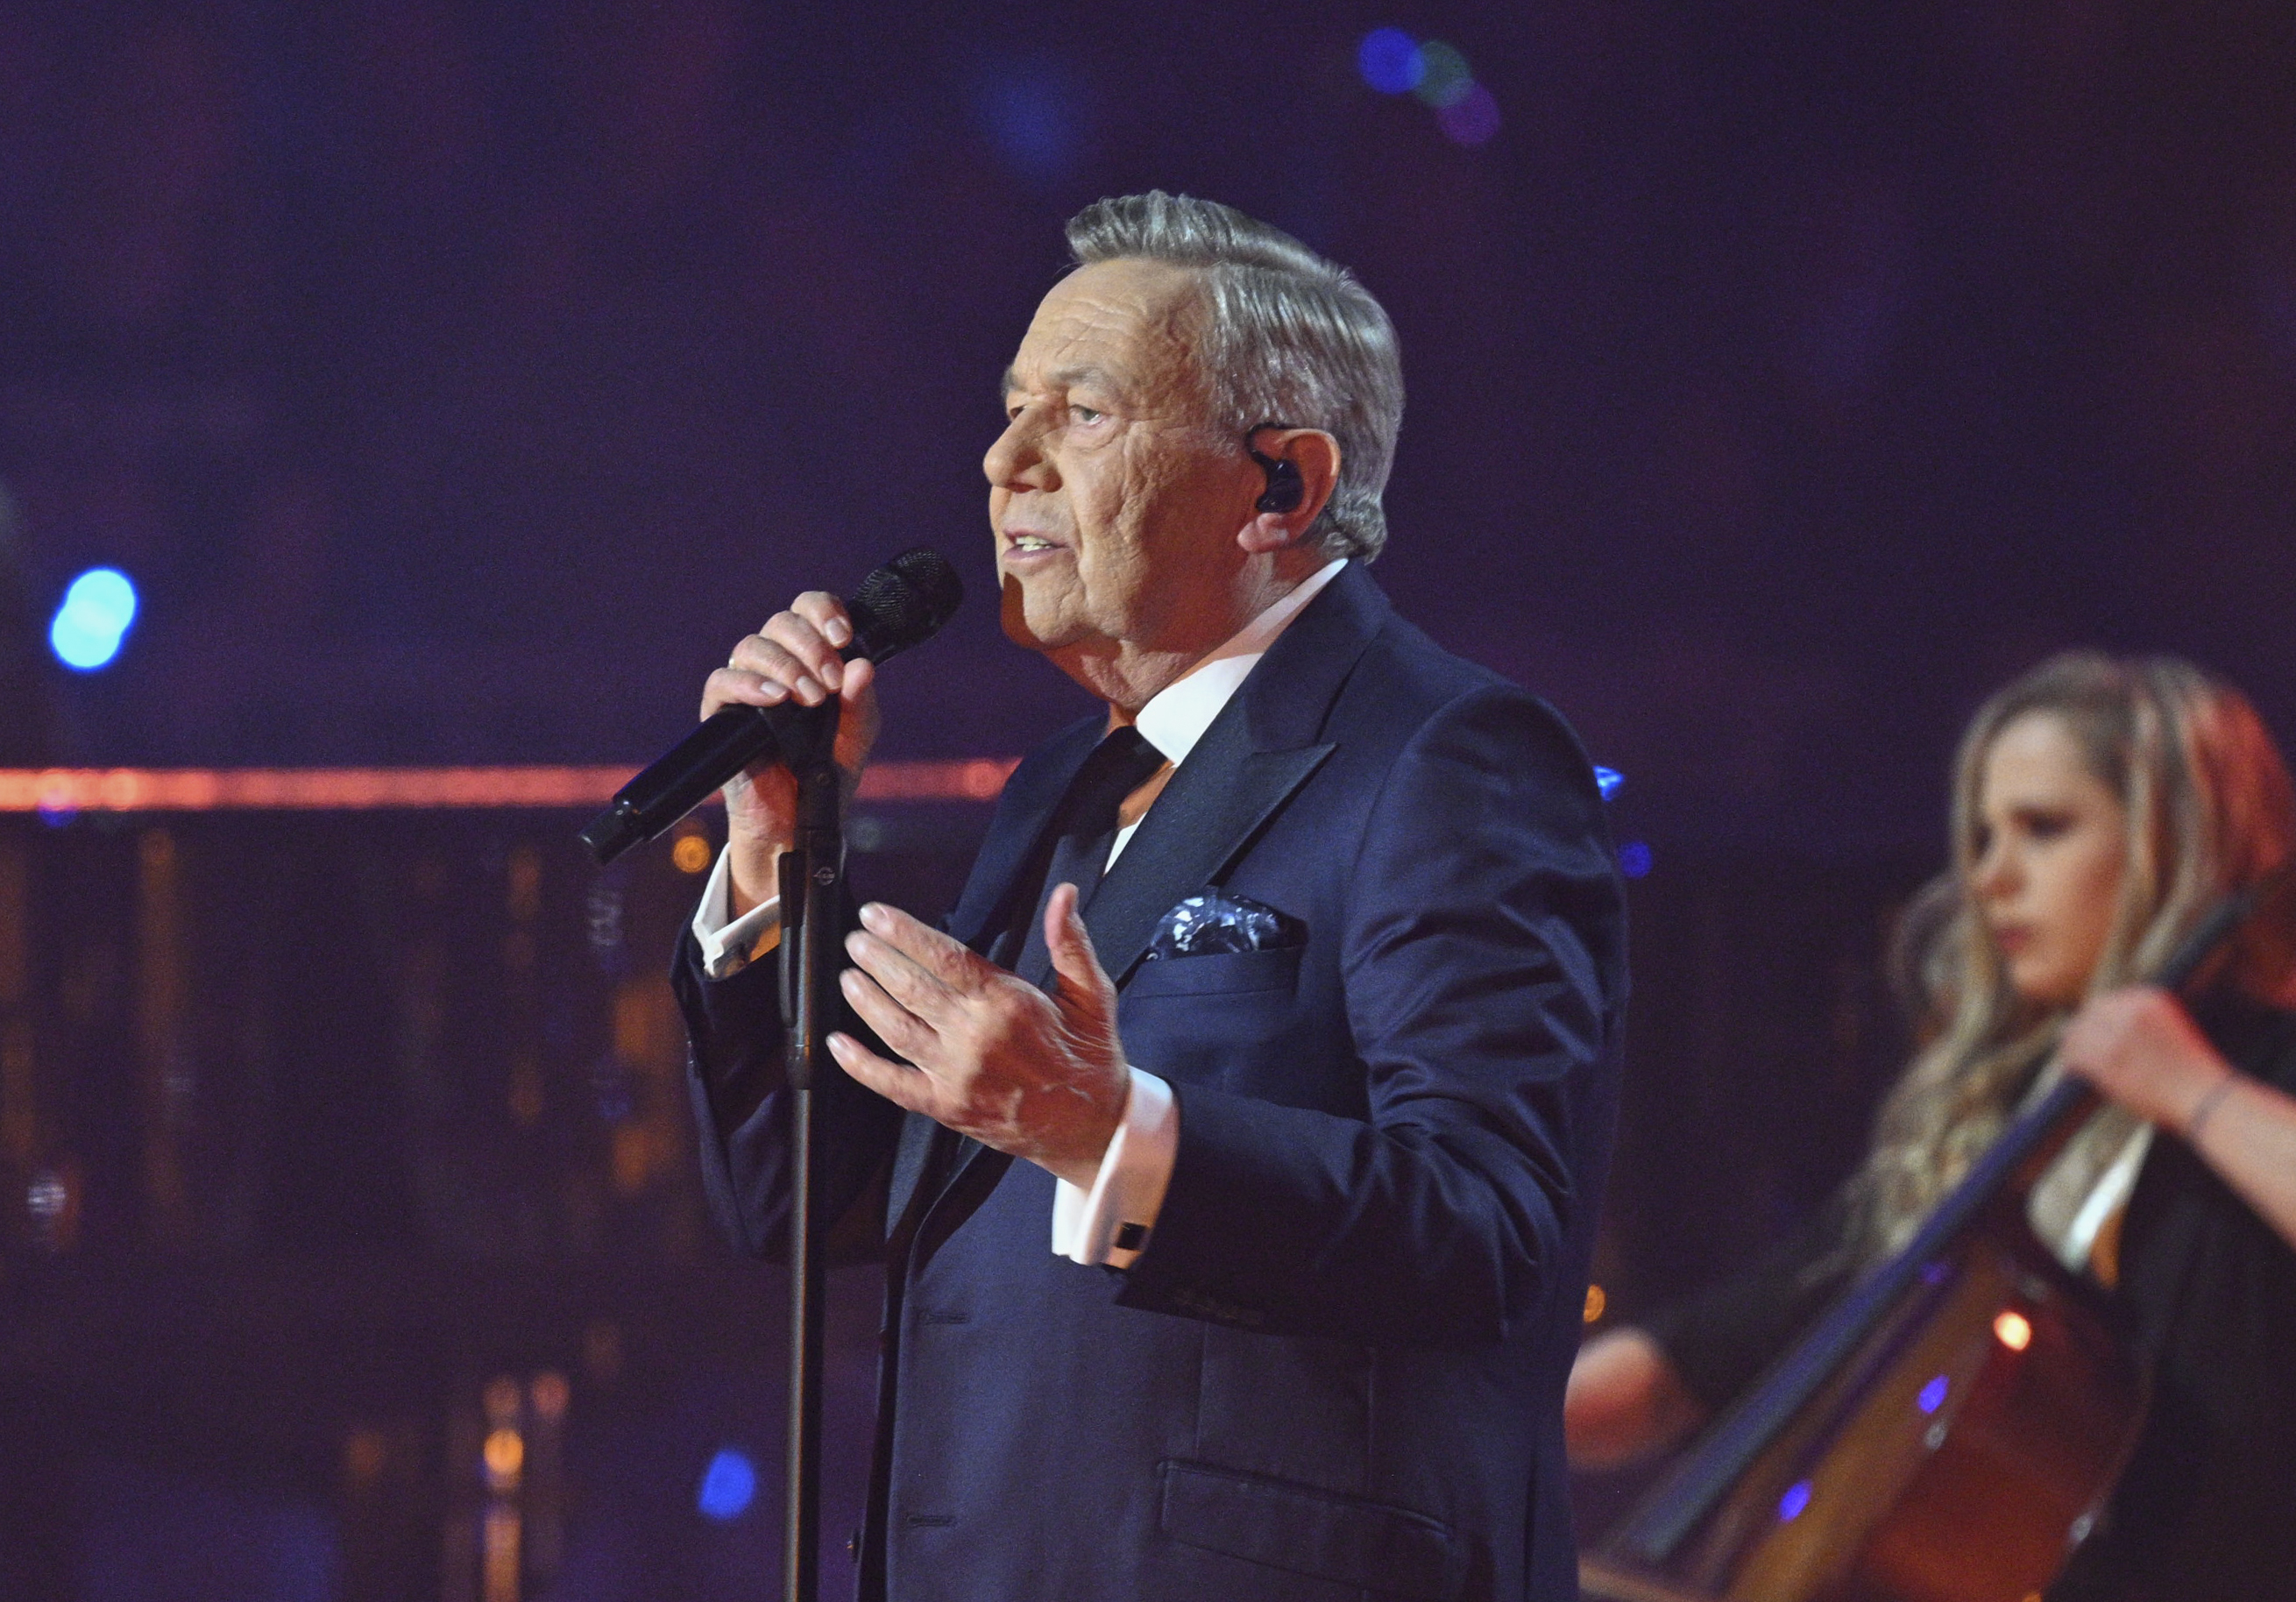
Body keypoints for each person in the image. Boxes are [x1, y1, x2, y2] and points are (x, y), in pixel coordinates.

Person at [673, 192, 1627, 1602]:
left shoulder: (1445, 758)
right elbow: (809, 1209)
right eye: (1009, 412)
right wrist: (775, 858)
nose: (1005, 462)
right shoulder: (1056, 789)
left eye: (1085, 413)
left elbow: (1490, 1231)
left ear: (1281, 489)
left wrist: (1108, 1130)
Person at [1567, 652, 2296, 1601]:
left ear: (2174, 840)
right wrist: (1467, 1435)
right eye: (1982, 836)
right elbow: (1704, 1353)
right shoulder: (2005, 1119)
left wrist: (2191, 1086)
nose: (1990, 877)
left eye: (2043, 828)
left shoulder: (2259, 1074)